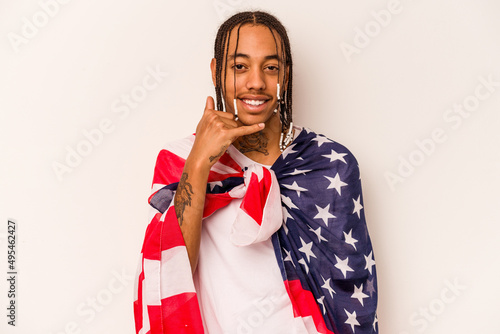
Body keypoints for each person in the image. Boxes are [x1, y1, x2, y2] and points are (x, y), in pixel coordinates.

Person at [134, 10, 378, 334]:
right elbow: (171, 269)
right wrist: (199, 162)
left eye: (271, 67)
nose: (256, 82)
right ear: (216, 71)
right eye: (239, 66)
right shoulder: (182, 159)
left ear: (286, 76)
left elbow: (352, 294)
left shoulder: (330, 163)